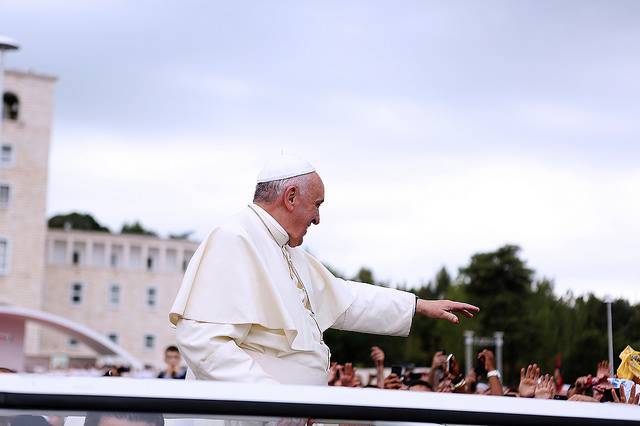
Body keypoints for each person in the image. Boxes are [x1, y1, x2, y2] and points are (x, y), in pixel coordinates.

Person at [170, 154, 479, 385]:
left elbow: (346, 299)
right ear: (290, 197)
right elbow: (201, 339)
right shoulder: (234, 238)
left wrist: (418, 305)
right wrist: (270, 402)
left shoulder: (287, 252)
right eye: (317, 204)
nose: (317, 219)